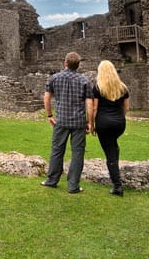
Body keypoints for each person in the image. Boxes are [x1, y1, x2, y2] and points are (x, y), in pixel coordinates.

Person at [41, 51, 92, 194]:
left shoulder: (54, 78)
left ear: (65, 63)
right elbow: (89, 104)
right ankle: (73, 185)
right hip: (79, 122)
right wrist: (89, 122)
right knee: (77, 153)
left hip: (61, 120)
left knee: (57, 150)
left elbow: (46, 98)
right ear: (78, 65)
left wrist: (49, 115)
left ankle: (51, 180)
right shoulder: (84, 81)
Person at [89, 60, 130, 196]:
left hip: (104, 123)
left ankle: (117, 186)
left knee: (109, 153)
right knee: (113, 146)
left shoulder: (98, 88)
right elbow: (126, 108)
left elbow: (94, 108)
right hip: (119, 124)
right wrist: (119, 117)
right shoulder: (122, 87)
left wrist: (92, 124)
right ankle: (116, 172)